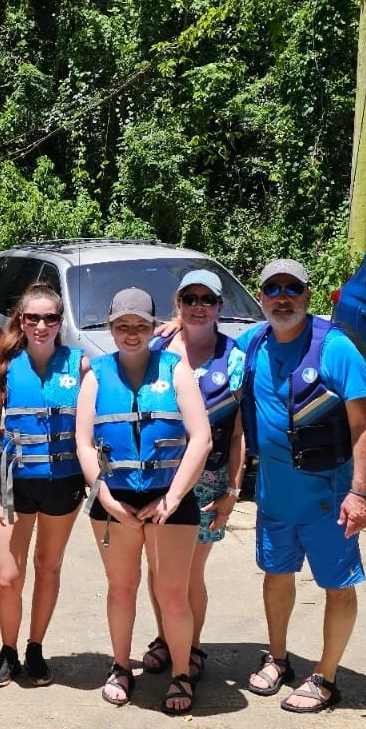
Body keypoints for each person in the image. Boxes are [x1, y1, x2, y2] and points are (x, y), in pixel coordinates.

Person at [237, 259, 366, 714]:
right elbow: (204, 343)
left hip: (329, 498)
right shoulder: (254, 342)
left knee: (337, 585)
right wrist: (172, 326)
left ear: (307, 295)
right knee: (277, 576)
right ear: (261, 298)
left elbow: (364, 424)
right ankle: (278, 659)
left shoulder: (335, 349)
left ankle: (326, 678)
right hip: (276, 496)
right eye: (272, 289)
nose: (282, 297)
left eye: (292, 288)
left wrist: (360, 493)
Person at [75, 288, 212, 714]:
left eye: (140, 326)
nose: (131, 334)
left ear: (154, 328)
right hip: (114, 499)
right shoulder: (96, 374)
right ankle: (120, 666)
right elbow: (82, 442)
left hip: (169, 498)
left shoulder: (176, 370)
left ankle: (180, 674)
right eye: (122, 326)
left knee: (172, 592)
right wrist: (108, 499)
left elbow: (201, 438)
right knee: (121, 588)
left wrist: (172, 498)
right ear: (111, 328)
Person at [136, 268, 247, 698]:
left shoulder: (234, 357)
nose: (198, 306)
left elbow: (237, 433)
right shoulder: (157, 346)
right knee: (157, 568)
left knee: (188, 573)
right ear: (177, 305)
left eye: (207, 299)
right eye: (189, 299)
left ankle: (192, 646)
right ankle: (167, 637)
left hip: (208, 478)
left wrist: (232, 491)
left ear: (220, 307)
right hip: (155, 475)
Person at [0, 282, 89, 687]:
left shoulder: (79, 366)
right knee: (9, 576)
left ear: (60, 322)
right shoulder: (2, 368)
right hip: (13, 485)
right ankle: (7, 650)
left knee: (48, 567)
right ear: (21, 321)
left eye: (50, 318)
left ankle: (35, 648)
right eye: (33, 318)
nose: (41, 325)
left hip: (63, 483)